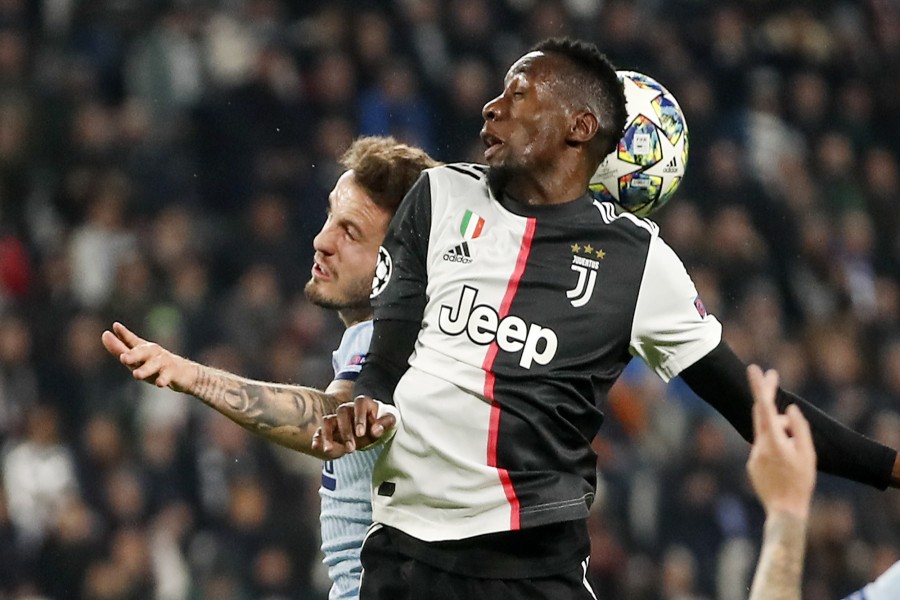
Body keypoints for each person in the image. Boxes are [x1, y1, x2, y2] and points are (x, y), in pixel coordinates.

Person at [313, 37, 899, 599]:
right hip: (406, 559)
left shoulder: (640, 263)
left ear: (581, 128)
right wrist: (361, 398)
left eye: (519, 95)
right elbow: (385, 357)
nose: (492, 107)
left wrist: (891, 468)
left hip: (533, 565)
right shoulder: (439, 196)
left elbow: (756, 411)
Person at [100, 136, 439, 600]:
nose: (321, 241)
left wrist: (193, 376)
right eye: (329, 218)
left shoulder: (393, 338)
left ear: (399, 261)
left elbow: (330, 419)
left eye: (350, 232)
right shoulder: (396, 337)